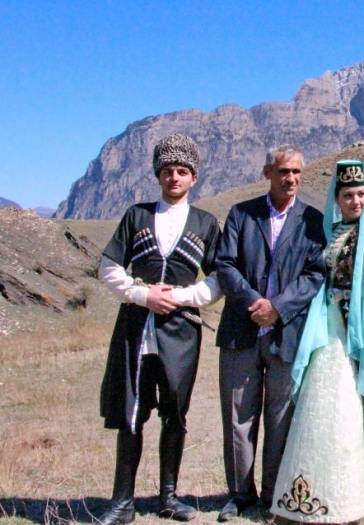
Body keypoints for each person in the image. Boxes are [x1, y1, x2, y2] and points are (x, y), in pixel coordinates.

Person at [97, 134, 222, 524]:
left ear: (194, 177)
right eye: (167, 170)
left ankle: (169, 497)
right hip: (136, 327)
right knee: (132, 412)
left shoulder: (205, 223)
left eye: (182, 171)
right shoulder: (136, 216)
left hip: (181, 331)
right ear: (157, 175)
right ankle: (123, 502)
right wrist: (142, 294)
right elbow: (108, 268)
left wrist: (182, 297)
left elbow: (219, 278)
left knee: (175, 411)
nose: (174, 177)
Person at [271, 159, 364, 522]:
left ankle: (349, 497)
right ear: (337, 199)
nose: (355, 201)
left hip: (359, 332)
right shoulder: (329, 232)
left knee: (350, 408)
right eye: (348, 195)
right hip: (326, 328)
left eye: (360, 194)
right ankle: (308, 491)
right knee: (319, 406)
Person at [215, 145, 326, 521]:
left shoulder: (313, 221)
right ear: (267, 173)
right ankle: (239, 495)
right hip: (241, 331)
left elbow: (315, 274)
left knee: (280, 417)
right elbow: (225, 264)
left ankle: (274, 494)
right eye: (283, 172)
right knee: (238, 416)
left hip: (287, 332)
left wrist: (277, 307)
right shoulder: (241, 214)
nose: (290, 178)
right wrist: (254, 302)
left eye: (296, 172)